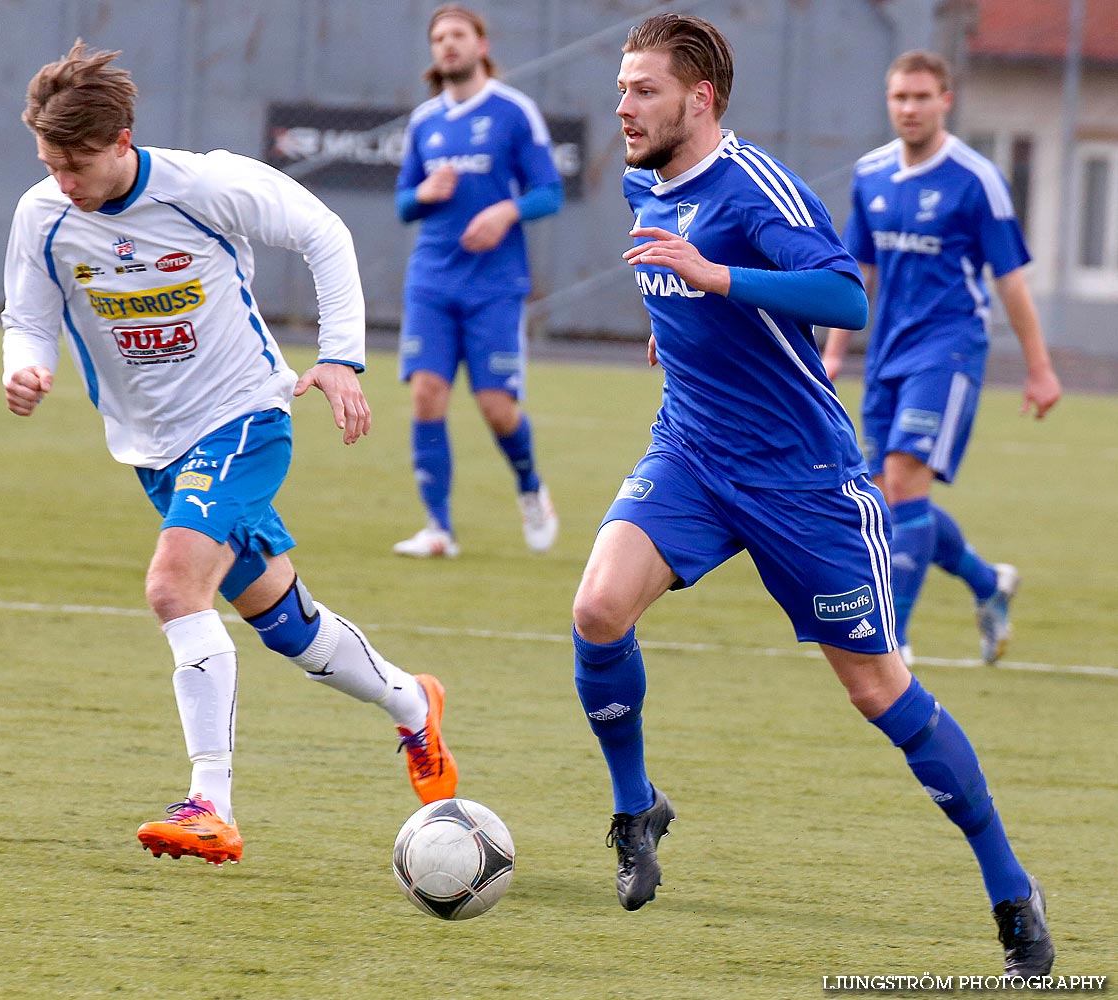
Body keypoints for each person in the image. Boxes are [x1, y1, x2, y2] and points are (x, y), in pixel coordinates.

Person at [570, 14, 1053, 976]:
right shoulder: (644, 178)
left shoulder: (757, 191)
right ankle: (636, 809)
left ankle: (1010, 888)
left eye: (643, 90)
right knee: (596, 608)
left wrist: (714, 276)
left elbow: (846, 298)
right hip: (694, 455)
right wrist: (672, 324)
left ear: (699, 99)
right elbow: (670, 268)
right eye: (621, 87)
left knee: (880, 691)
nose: (622, 105)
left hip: (804, 482)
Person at [1, 40, 457, 867]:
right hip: (153, 452)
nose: (63, 179)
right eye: (49, 161)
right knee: (286, 626)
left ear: (123, 139)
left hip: (244, 417)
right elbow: (27, 317)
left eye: (77, 162)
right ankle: (413, 705)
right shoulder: (44, 215)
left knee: (173, 586)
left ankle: (210, 801)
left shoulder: (203, 185)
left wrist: (341, 357)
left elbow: (323, 231)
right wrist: (24, 367)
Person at [822, 50, 1061, 667]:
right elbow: (859, 271)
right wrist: (834, 355)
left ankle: (891, 638)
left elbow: (1010, 280)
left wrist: (1039, 367)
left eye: (923, 97)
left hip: (949, 347)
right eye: (900, 97)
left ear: (945, 101)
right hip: (887, 354)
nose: (910, 108)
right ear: (888, 101)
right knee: (887, 500)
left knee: (902, 480)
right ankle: (988, 582)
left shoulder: (975, 178)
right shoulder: (871, 174)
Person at [392, 4, 564, 558]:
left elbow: (549, 192)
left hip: (494, 283)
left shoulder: (514, 112)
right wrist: (423, 195)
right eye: (439, 37)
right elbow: (402, 203)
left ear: (481, 44)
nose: (448, 44)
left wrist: (504, 213)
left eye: (458, 35)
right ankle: (438, 529)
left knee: (496, 406)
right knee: (426, 395)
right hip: (432, 280)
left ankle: (531, 488)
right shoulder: (425, 122)